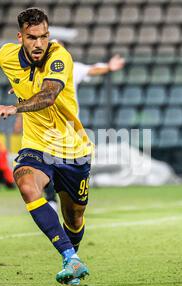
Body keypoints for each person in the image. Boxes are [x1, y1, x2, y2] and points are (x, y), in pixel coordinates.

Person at [0, 8, 93, 285]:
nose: (39, 44)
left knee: (75, 216)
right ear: (20, 36)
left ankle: (73, 256)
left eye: (44, 36)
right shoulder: (5, 56)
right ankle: (69, 257)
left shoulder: (60, 57)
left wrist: (15, 106)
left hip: (72, 150)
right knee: (24, 181)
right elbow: (24, 78)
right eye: (33, 37)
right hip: (37, 145)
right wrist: (20, 86)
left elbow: (47, 95)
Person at [12, 48, 125, 210]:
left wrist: (108, 67)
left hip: (67, 127)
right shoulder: (34, 71)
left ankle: (69, 197)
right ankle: (51, 197)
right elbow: (27, 96)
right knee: (44, 160)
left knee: (66, 164)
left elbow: (92, 69)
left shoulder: (69, 65)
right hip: (42, 127)